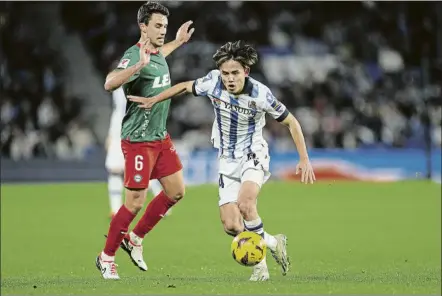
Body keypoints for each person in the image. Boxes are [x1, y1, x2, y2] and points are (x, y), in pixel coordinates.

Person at [128, 40, 316, 281]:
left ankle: (261, 268)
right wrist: (155, 99)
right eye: (225, 73)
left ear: (245, 72)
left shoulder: (260, 93)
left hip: (253, 154)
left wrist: (304, 158)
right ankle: (272, 242)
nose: (229, 78)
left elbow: (291, 121)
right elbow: (185, 86)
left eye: (235, 73)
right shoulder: (212, 81)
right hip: (227, 158)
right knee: (231, 225)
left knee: (246, 204)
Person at [96, 1, 194, 280]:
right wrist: (136, 67)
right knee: (134, 203)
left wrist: (178, 42)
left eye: (165, 26)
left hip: (160, 137)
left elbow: (161, 53)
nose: (163, 30)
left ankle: (135, 238)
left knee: (176, 191)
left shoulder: (157, 51)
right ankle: (106, 257)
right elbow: (109, 82)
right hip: (139, 140)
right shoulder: (134, 54)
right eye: (158, 26)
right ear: (143, 26)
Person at [105, 85, 170, 219]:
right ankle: (115, 209)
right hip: (119, 131)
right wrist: (111, 134)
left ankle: (163, 203)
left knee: (142, 170)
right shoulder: (119, 85)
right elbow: (117, 110)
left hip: (134, 129)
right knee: (115, 170)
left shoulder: (139, 83)